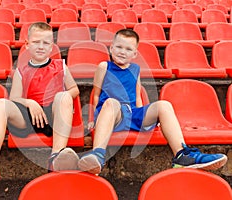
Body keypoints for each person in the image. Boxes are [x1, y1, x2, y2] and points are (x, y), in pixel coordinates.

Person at [0, 22, 80, 190]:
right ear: (27, 44)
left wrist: (61, 98)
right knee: (0, 104)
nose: (41, 46)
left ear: (52, 46)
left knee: (64, 96)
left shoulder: (60, 66)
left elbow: (74, 89)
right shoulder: (21, 70)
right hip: (29, 117)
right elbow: (15, 97)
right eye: (36, 42)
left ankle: (57, 157)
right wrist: (30, 103)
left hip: (53, 117)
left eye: (46, 43)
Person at [78, 29, 228, 175]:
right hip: (112, 113)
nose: (122, 52)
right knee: (112, 102)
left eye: (128, 49)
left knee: (164, 105)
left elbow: (137, 96)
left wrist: (142, 116)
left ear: (134, 54)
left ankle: (182, 155)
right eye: (118, 47)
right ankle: (97, 155)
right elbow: (95, 95)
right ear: (111, 48)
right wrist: (93, 119)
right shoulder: (104, 67)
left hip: (132, 112)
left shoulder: (135, 69)